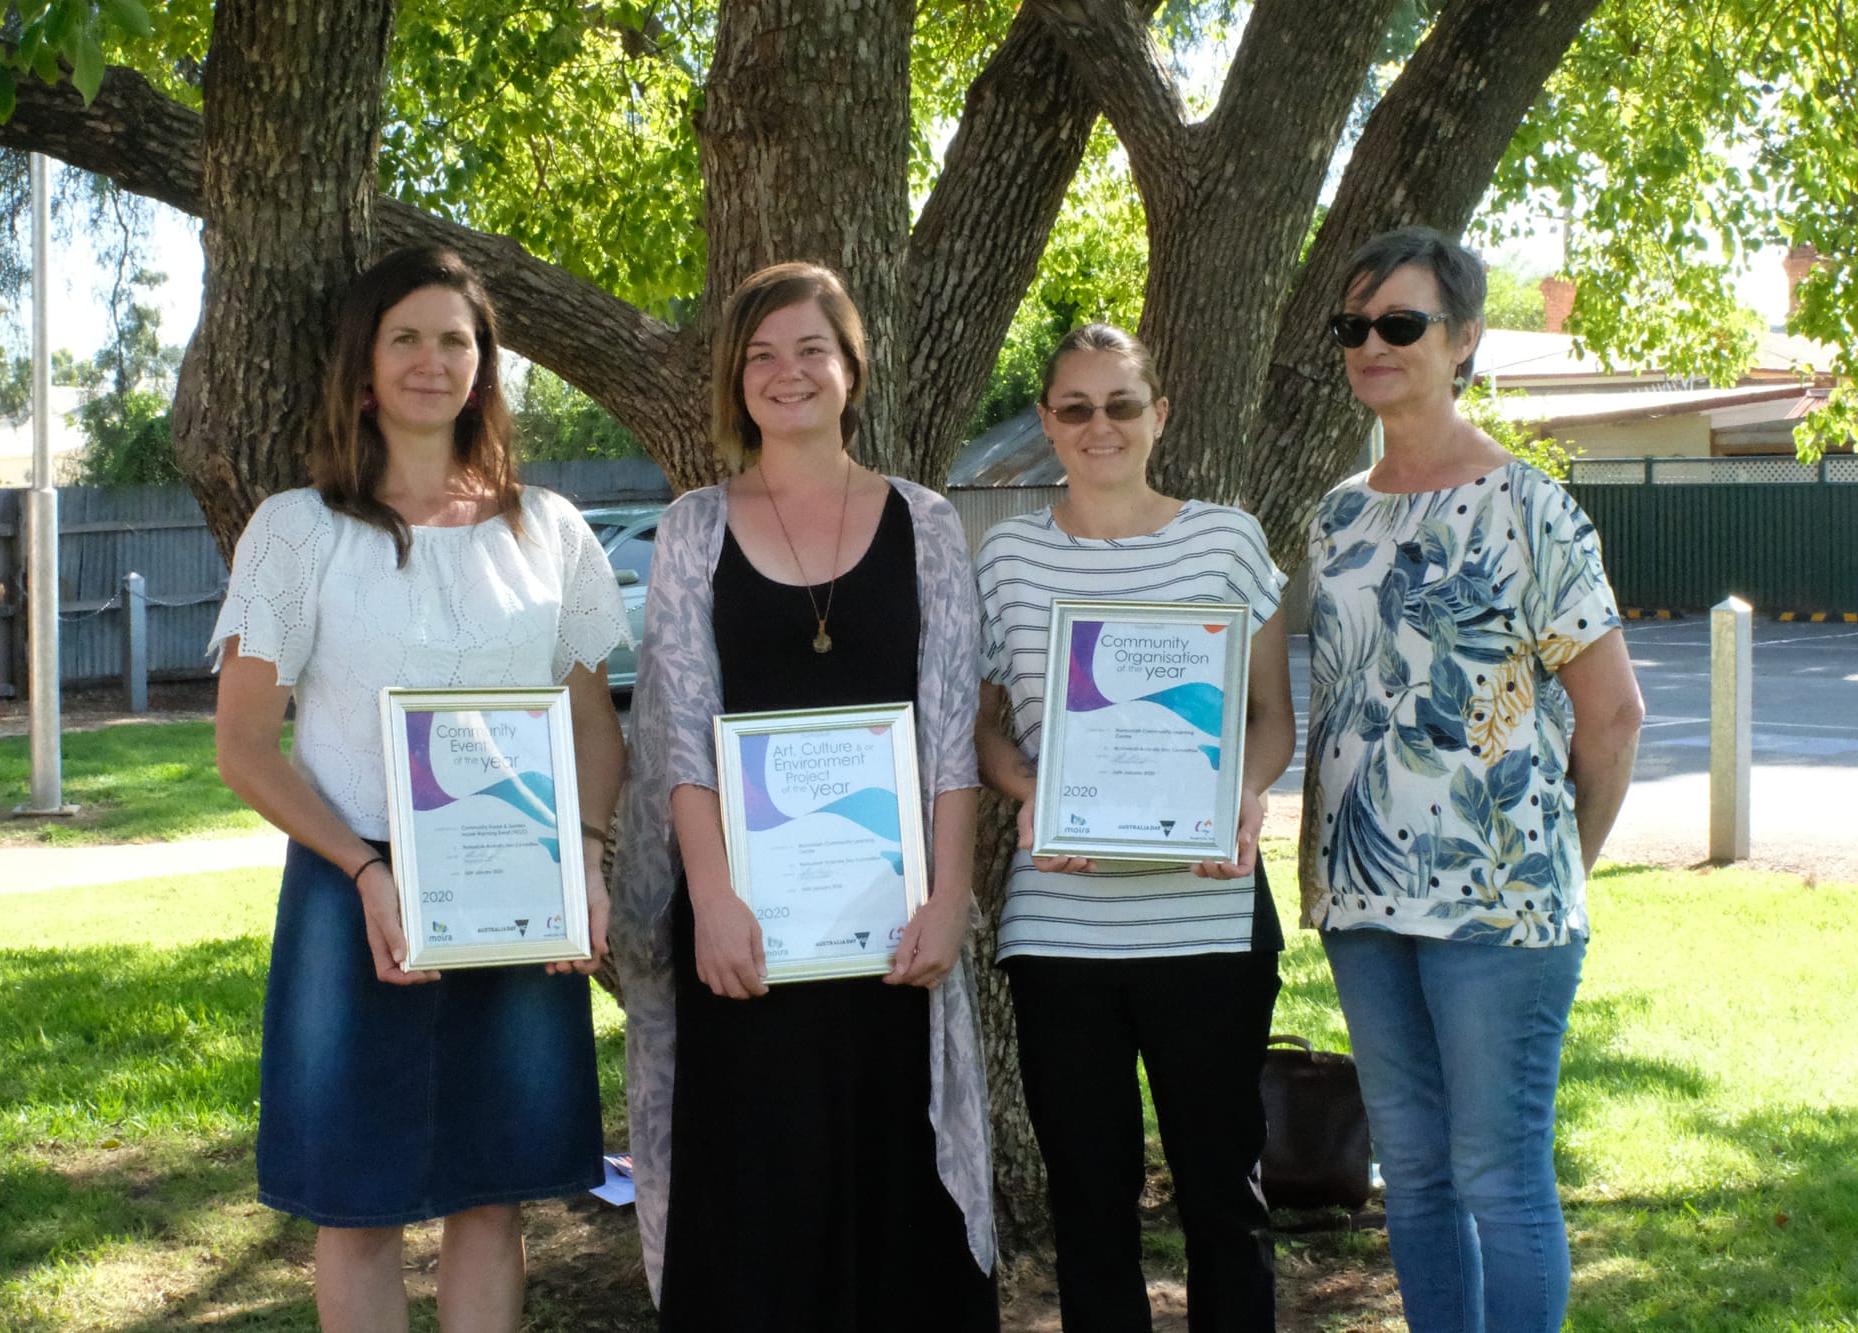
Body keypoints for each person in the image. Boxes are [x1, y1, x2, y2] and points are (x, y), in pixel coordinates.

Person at [209, 246, 629, 1333]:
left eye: (457, 339)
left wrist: (584, 859)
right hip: (354, 898)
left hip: (519, 897)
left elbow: (590, 720)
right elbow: (247, 746)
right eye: (406, 336)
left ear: (485, 366)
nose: (433, 359)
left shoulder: (551, 531)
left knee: (494, 1196)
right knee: (356, 1206)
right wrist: (363, 870)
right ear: (362, 367)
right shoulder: (295, 532)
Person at [611, 261, 998, 1331]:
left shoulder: (925, 525)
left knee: (895, 1191)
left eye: (810, 350)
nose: (788, 374)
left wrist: (946, 901)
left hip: (891, 928)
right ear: (736, 382)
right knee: (757, 1207)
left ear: (851, 367)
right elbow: (679, 736)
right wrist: (715, 897)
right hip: (744, 933)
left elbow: (949, 739)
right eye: (761, 356)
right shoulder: (691, 529)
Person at [1302, 226, 1645, 1333]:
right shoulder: (1335, 515)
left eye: (1398, 324)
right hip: (1362, 901)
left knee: (1496, 1174)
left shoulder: (1528, 506)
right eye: (1353, 326)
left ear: (1462, 342)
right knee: (1413, 1166)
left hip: (1502, 904)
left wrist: (1554, 869)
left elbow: (1612, 715)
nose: (1371, 344)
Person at [972, 323, 1297, 1331]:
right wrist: (1027, 790)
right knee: (1089, 1205)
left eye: (1119, 403)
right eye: (1074, 406)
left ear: (1159, 415)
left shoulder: (1225, 540)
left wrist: (1239, 792)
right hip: (1060, 936)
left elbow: (1270, 719)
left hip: (1203, 924)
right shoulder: (1007, 556)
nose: (1097, 425)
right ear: (1046, 422)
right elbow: (982, 725)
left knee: (1222, 1200)